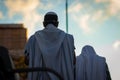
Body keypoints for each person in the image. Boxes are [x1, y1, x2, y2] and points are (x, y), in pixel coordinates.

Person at [24, 11, 76, 80]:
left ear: (44, 23)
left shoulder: (33, 39)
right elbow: (74, 61)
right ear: (57, 23)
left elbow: (27, 61)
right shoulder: (68, 38)